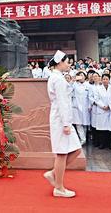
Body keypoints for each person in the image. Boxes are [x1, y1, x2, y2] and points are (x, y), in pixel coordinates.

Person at [43, 50, 82, 198]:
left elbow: (64, 96)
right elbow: (62, 102)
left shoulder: (57, 77)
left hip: (61, 118)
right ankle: (58, 187)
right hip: (61, 119)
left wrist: (70, 82)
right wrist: (66, 124)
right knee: (62, 153)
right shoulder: (57, 79)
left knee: (76, 150)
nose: (69, 64)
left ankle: (53, 174)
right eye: (67, 62)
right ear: (60, 62)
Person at [71, 71, 90, 145]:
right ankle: (82, 139)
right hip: (76, 106)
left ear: (85, 76)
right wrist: (73, 81)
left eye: (82, 75)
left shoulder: (88, 85)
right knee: (78, 124)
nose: (81, 77)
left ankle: (84, 138)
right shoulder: (75, 85)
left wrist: (90, 105)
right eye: (80, 75)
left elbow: (90, 96)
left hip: (86, 106)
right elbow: (69, 91)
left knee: (84, 123)